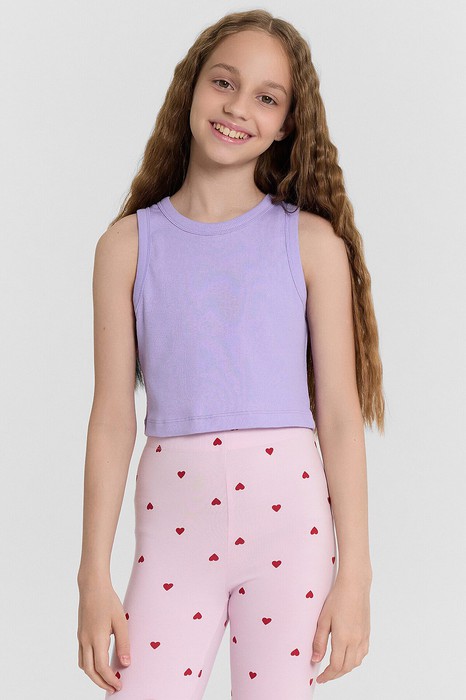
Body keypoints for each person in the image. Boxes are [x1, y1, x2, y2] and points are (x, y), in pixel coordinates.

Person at [77, 9, 384, 699]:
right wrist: (92, 575)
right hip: (173, 531)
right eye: (224, 82)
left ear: (286, 125)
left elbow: (339, 417)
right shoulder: (127, 246)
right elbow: (111, 418)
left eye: (266, 97)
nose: (238, 107)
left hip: (290, 533)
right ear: (191, 86)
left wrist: (356, 576)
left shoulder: (311, 245)